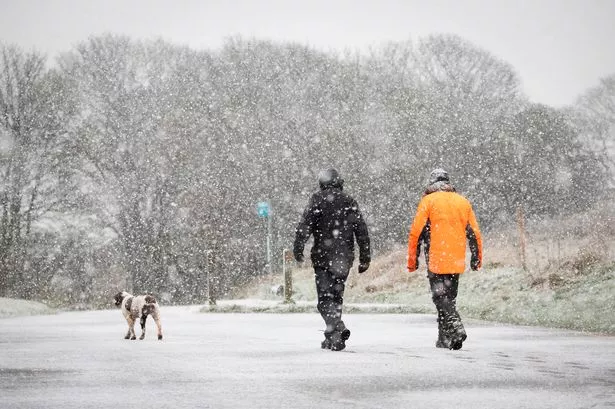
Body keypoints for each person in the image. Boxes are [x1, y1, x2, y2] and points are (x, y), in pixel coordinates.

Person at [293, 168, 371, 351]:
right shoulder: (349, 201)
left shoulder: (317, 199)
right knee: (336, 297)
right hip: (344, 258)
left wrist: (298, 248)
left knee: (324, 300)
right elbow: (361, 230)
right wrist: (365, 257)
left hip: (323, 257)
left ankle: (337, 326)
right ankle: (333, 338)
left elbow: (305, 226)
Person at [406, 169, 482, 350]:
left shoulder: (428, 201)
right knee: (449, 297)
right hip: (456, 257)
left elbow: (415, 232)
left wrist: (412, 260)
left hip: (436, 256)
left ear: (431, 184)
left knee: (440, 296)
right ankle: (445, 338)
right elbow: (474, 233)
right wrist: (476, 258)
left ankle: (455, 325)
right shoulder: (462, 202)